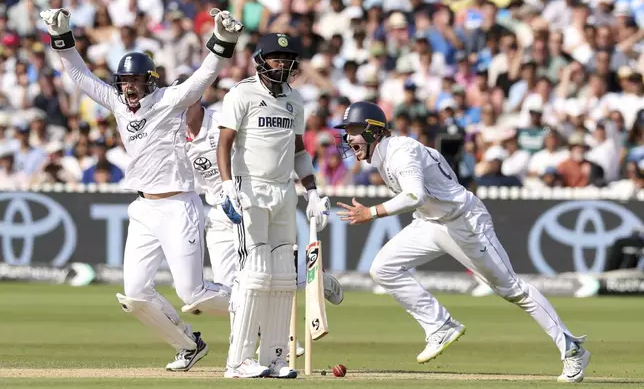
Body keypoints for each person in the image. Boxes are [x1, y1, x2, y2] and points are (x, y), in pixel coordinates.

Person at [39, 7, 244, 371]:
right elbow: (79, 74)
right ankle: (188, 344)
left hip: (180, 205)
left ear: (150, 81)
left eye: (135, 80)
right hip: (144, 209)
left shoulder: (169, 100)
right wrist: (62, 37)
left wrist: (224, 40)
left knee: (193, 294)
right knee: (134, 294)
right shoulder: (118, 104)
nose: (128, 87)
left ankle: (256, 300)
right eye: (124, 81)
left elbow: (202, 78)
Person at [334, 101, 591, 383]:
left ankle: (572, 348)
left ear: (374, 131)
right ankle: (440, 325)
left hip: (465, 222)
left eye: (355, 130)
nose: (349, 138)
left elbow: (413, 196)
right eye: (347, 131)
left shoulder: (401, 151)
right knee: (382, 268)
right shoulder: (387, 154)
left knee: (511, 289)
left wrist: (371, 212)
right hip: (430, 222)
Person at [177, 76, 344, 366]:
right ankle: (266, 344)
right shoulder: (174, 135)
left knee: (264, 276)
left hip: (249, 201)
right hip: (218, 212)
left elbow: (278, 148)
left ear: (197, 98)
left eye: (186, 100)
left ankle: (312, 280)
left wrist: (306, 188)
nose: (179, 108)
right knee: (232, 287)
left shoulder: (224, 117)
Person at [217, 33, 331, 379]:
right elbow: (224, 143)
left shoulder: (295, 100)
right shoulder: (241, 94)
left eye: (288, 58)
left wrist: (311, 191)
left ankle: (276, 358)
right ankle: (238, 362)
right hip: (250, 188)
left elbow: (298, 151)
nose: (283, 64)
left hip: (285, 191)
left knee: (283, 277)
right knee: (255, 276)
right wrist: (227, 186)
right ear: (261, 60)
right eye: (276, 58)